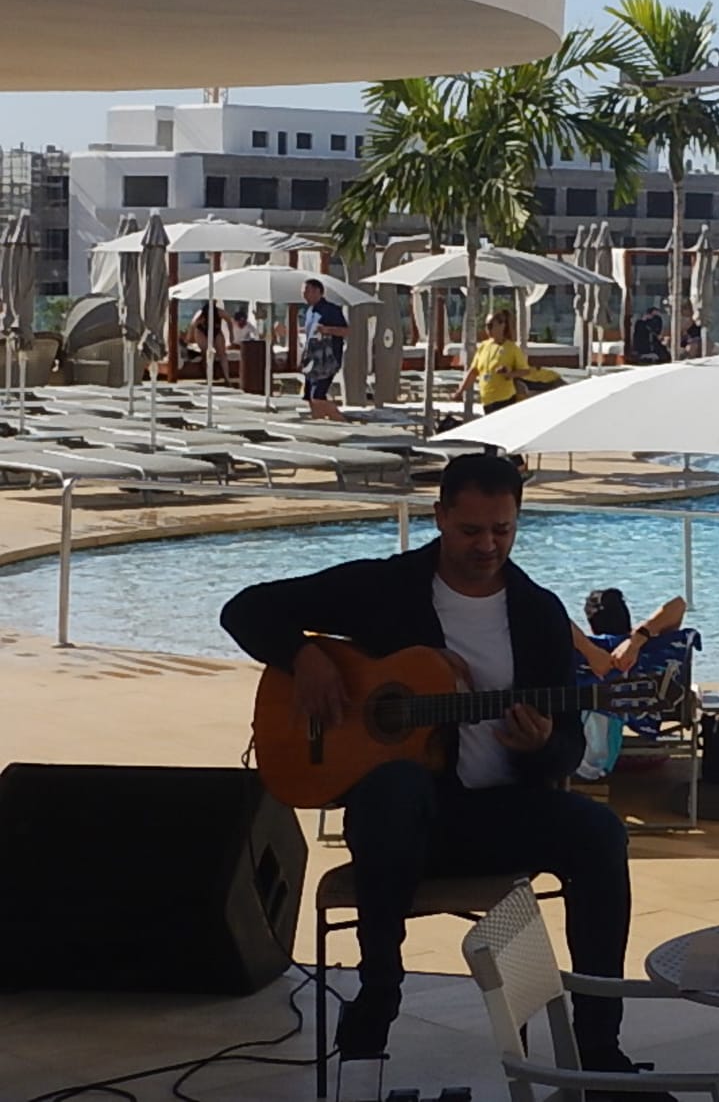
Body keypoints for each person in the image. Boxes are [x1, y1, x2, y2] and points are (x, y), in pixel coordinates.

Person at [218, 457, 658, 1091]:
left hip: (496, 818)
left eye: (502, 531)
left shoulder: (537, 612)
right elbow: (245, 609)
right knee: (396, 785)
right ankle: (380, 987)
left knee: (600, 833)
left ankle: (599, 1046)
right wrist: (304, 656)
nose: (488, 546)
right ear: (440, 517)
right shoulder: (386, 588)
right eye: (471, 531)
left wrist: (540, 746)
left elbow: (564, 750)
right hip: (397, 829)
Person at [572, 588, 689, 679]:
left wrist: (588, 650)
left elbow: (560, 620)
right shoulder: (657, 646)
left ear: (592, 627)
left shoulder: (577, 653)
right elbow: (679, 604)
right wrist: (636, 641)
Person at [460, 309, 556, 415]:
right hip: (487, 399)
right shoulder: (483, 346)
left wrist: (510, 374)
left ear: (502, 326)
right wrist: (460, 391)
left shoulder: (511, 348)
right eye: (486, 326)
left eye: (491, 325)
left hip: (504, 399)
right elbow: (473, 372)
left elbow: (525, 371)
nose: (488, 329)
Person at [299, 277, 349, 421]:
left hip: (327, 360)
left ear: (317, 292)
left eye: (306, 291)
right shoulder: (309, 311)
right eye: (303, 291)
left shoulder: (331, 310)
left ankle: (342, 420)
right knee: (309, 397)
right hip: (311, 360)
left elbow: (346, 331)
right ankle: (319, 423)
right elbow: (310, 333)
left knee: (317, 396)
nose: (303, 294)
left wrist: (327, 330)